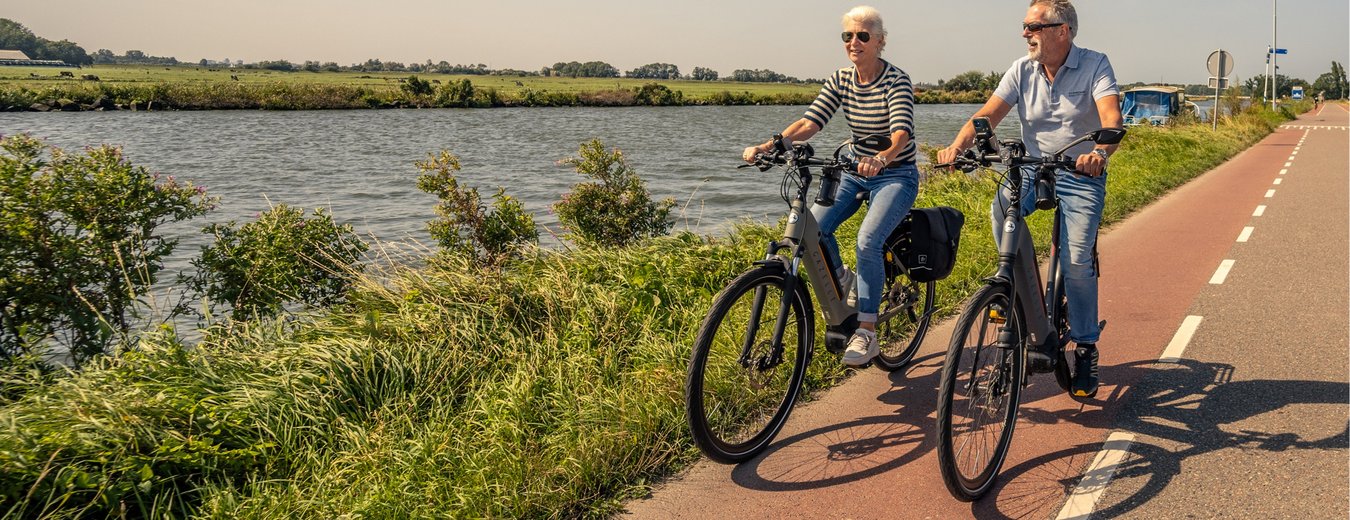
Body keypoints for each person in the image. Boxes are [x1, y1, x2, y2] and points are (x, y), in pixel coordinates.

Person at [936, 0, 1122, 397]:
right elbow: (987, 115)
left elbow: (1112, 120)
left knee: (1075, 263)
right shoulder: (1021, 69)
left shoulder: (1095, 64)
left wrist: (1099, 154)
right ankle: (1017, 292)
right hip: (1033, 167)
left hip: (1079, 171)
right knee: (1001, 209)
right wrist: (957, 146)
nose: (1025, 34)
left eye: (1033, 27)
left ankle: (1087, 348)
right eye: (1024, 26)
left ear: (1062, 31)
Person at [742, 5, 919, 367]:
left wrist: (882, 158)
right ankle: (843, 277)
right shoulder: (841, 78)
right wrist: (770, 146)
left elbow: (901, 132)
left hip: (895, 172)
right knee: (814, 228)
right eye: (848, 36)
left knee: (868, 240)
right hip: (854, 169)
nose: (854, 42)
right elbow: (811, 121)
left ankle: (867, 331)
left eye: (863, 36)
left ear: (880, 42)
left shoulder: (895, 80)